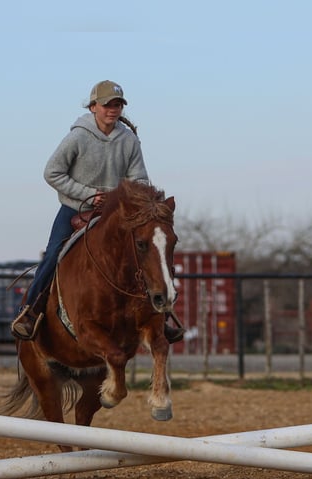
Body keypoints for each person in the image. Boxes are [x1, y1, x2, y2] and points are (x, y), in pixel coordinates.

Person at [11, 80, 185, 344]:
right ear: (93, 106)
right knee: (53, 254)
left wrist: (135, 199)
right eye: (107, 105)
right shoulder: (78, 137)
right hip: (75, 208)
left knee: (144, 253)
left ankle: (161, 318)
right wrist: (87, 194)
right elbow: (52, 172)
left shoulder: (129, 140)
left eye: (117, 105)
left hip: (117, 213)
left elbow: (140, 180)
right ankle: (31, 312)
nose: (112, 110)